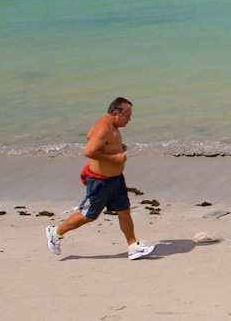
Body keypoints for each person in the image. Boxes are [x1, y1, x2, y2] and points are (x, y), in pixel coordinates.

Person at [46, 97, 155, 260]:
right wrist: (114, 158)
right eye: (127, 116)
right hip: (100, 181)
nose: (129, 120)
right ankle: (56, 232)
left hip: (115, 179)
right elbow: (89, 151)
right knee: (88, 215)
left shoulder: (110, 125)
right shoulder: (103, 127)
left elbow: (89, 136)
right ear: (114, 113)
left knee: (124, 211)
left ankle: (133, 247)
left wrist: (116, 148)